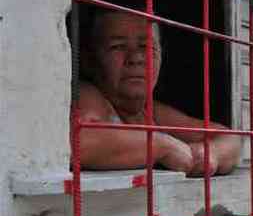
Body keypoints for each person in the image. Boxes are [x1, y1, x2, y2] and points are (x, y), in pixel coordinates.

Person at [77, 10, 241, 176]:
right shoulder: (87, 94)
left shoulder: (149, 110)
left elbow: (229, 137)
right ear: (89, 61)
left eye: (146, 46)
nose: (136, 58)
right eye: (118, 46)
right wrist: (163, 147)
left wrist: (209, 153)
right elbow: (79, 141)